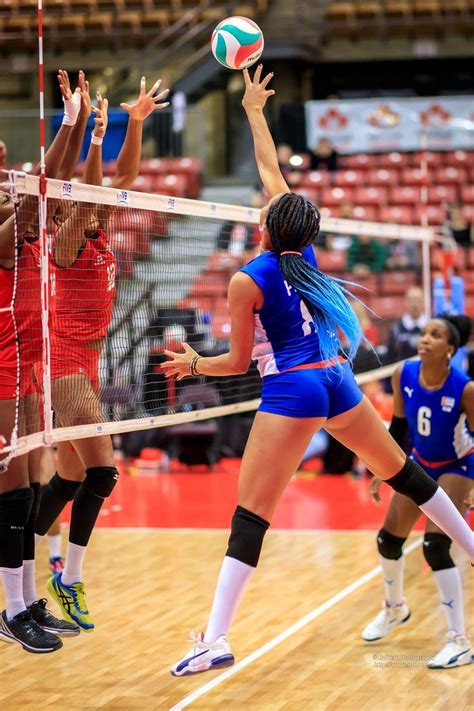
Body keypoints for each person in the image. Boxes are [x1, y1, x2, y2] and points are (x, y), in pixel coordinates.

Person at [162, 66, 474, 676]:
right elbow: (273, 175)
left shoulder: (246, 277)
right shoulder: (303, 252)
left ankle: (217, 637)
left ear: (266, 223)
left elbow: (232, 363)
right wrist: (254, 113)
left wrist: (195, 361)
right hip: (336, 377)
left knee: (251, 514)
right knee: (405, 472)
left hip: (294, 388)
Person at [34, 75, 170, 633]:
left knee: (65, 483)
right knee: (103, 474)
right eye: (80, 201)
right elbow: (95, 189)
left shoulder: (99, 228)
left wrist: (131, 123)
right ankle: (69, 581)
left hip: (86, 361)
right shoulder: (64, 241)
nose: (92, 202)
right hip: (64, 365)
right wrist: (93, 135)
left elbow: (127, 179)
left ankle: (19, 547)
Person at [0, 70, 84, 653]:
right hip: (1, 366)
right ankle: (10, 611)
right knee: (9, 492)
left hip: (28, 361)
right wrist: (68, 125)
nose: (8, 173)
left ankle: (27, 599)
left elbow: (53, 184)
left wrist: (77, 126)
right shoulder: (7, 230)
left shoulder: (22, 220)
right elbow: (42, 187)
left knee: (30, 491)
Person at [362, 315, 473, 669]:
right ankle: (395, 609)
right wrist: (384, 469)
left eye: (435, 335)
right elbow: (397, 427)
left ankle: (459, 640)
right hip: (420, 461)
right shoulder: (403, 373)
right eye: (424, 333)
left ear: (450, 350)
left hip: (458, 465)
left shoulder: (465, 388)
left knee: (436, 545)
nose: (425, 339)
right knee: (387, 541)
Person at [385, 286, 428, 365]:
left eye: (418, 300)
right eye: (411, 300)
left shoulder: (431, 326)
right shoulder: (396, 329)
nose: (415, 304)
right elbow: (390, 358)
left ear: (423, 303)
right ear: (405, 302)